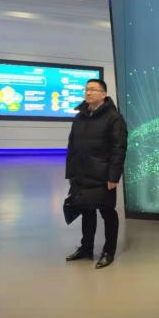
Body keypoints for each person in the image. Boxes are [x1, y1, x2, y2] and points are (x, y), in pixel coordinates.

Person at [65, 78, 128, 269]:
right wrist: (71, 173)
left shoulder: (114, 118)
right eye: (86, 89)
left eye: (93, 89)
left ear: (103, 94)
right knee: (86, 211)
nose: (88, 92)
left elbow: (119, 149)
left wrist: (113, 176)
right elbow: (72, 146)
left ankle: (108, 251)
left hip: (102, 175)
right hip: (81, 174)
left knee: (107, 212)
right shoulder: (80, 117)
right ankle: (86, 248)